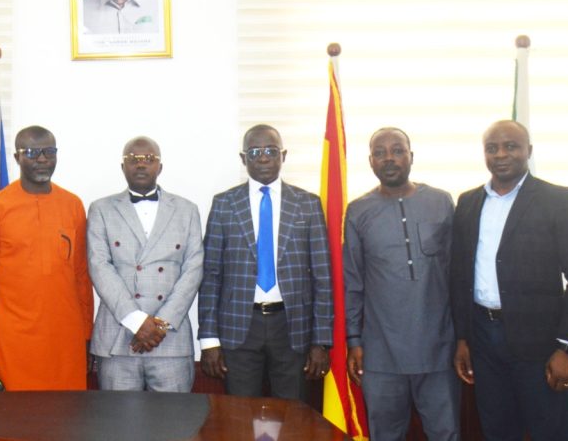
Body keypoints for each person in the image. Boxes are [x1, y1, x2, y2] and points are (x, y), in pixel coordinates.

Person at [451, 120, 568, 441]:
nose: (501, 154)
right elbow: (461, 275)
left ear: (528, 151)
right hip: (483, 340)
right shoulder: (468, 202)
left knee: (550, 432)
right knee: (498, 431)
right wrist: (462, 338)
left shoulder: (558, 200)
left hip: (540, 345)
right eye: (492, 148)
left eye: (511, 146)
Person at [198, 124, 332, 400]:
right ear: (243, 158)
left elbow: (322, 277)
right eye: (254, 152)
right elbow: (211, 275)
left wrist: (321, 341)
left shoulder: (307, 204)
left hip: (293, 327)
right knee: (240, 414)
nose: (262, 158)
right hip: (238, 327)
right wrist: (209, 339)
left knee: (292, 414)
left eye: (270, 151)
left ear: (283, 155)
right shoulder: (224, 204)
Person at [343, 128, 459, 441]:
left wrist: (463, 338)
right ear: (370, 161)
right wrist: (353, 340)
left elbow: (458, 275)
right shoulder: (358, 211)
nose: (389, 158)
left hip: (438, 349)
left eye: (397, 150)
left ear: (411, 156)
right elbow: (352, 282)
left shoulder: (441, 202)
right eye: (380, 153)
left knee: (446, 433)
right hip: (381, 354)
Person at [0, 125, 94, 391]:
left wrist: (86, 334)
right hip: (13, 342)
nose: (42, 159)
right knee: (17, 415)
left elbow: (82, 276)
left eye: (49, 152)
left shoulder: (73, 205)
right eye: (32, 153)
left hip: (65, 341)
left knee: (67, 413)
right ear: (17, 157)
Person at [87, 136, 204, 392]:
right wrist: (136, 321)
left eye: (149, 159)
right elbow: (100, 267)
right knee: (119, 418)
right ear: (123, 167)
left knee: (173, 418)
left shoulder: (187, 210)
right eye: (133, 159)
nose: (141, 164)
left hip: (170, 340)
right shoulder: (101, 209)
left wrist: (159, 325)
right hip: (118, 338)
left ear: (160, 167)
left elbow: (193, 269)